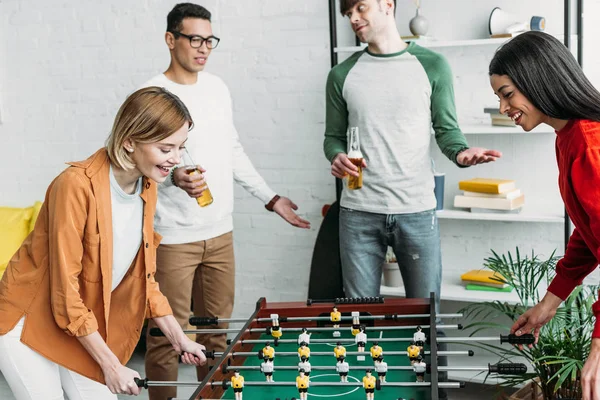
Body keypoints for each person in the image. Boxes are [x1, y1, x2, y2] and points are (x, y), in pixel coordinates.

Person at [141, 4, 311, 399]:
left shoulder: (217, 88)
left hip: (220, 234)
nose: (204, 48)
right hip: (172, 238)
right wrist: (172, 180)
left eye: (210, 40)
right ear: (171, 40)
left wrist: (270, 199)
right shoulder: (151, 95)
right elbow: (135, 162)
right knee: (169, 337)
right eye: (195, 39)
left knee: (217, 334)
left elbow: (231, 150)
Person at [0, 87, 207, 400]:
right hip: (26, 321)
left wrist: (180, 339)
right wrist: (111, 365)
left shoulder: (147, 185)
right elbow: (64, 292)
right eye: (166, 149)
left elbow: (144, 280)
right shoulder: (74, 185)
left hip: (75, 323)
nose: (176, 160)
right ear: (129, 142)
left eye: (181, 147)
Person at [326, 0, 501, 310]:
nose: (353, 18)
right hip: (358, 214)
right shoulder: (342, 74)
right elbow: (333, 138)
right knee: (359, 320)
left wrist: (461, 153)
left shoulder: (433, 65)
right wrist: (337, 156)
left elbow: (447, 130)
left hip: (417, 211)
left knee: (425, 316)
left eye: (360, 8)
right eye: (347, 13)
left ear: (387, 5)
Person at [488, 30, 600, 400]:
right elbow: (588, 233)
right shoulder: (567, 136)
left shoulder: (589, 143)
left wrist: (599, 343)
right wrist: (548, 304)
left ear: (539, 79)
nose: (504, 108)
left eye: (507, 95)